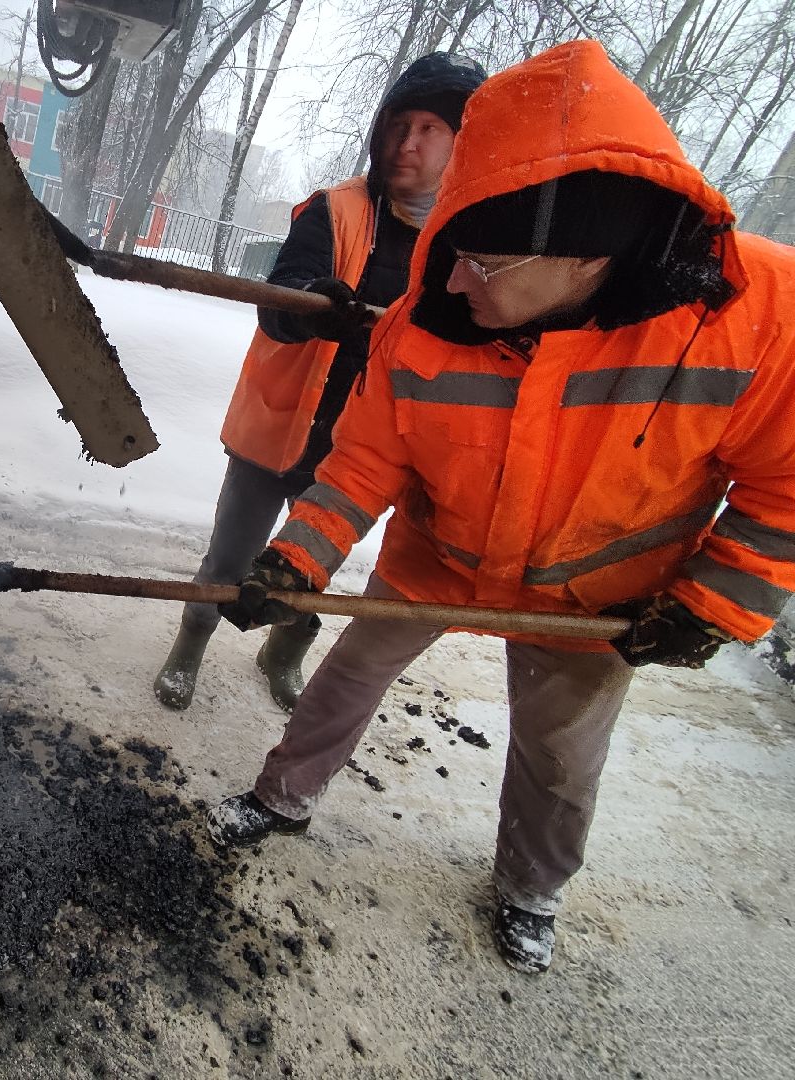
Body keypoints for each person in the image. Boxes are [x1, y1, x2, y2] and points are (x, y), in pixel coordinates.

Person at [206, 38, 795, 976]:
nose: (450, 281)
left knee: (561, 752)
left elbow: (785, 484)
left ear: (579, 256)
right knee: (347, 679)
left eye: (479, 262)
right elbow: (364, 464)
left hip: (600, 593)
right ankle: (283, 795)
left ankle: (530, 887)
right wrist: (297, 559)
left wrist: (714, 604)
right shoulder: (426, 325)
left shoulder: (752, 316)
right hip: (439, 557)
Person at [153, 53, 488, 713]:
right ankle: (188, 647)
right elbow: (279, 299)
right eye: (398, 125)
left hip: (358, 457)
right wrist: (314, 305)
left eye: (429, 129)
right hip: (277, 430)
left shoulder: (463, 243)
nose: (406, 143)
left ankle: (283, 653)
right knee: (229, 563)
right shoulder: (335, 211)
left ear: (461, 144)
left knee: (307, 573)